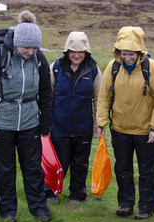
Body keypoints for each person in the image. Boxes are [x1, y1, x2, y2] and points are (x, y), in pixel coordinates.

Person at [0, 11, 53, 222]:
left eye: (35, 47)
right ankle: (8, 212)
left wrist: (45, 123)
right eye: (26, 47)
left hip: (30, 122)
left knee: (32, 168)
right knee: (5, 170)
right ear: (17, 42)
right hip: (2, 124)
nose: (30, 51)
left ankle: (39, 209)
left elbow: (46, 93)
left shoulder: (39, 59)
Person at [96, 26, 154, 219]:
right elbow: (104, 97)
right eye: (123, 54)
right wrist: (101, 123)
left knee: (147, 170)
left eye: (131, 54)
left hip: (145, 130)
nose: (127, 58)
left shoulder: (152, 67)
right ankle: (126, 203)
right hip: (119, 129)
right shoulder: (112, 67)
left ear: (140, 52)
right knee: (122, 168)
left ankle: (146, 207)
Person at [47, 31, 102, 205]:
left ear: (86, 51)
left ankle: (77, 194)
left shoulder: (93, 70)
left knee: (80, 164)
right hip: (59, 127)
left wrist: (97, 126)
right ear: (66, 51)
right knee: (57, 163)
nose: (76, 55)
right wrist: (45, 124)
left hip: (82, 128)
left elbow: (99, 99)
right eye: (73, 51)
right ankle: (50, 193)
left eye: (80, 51)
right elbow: (47, 96)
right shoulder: (55, 67)